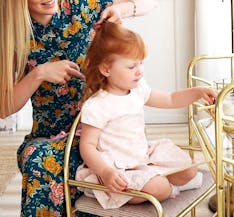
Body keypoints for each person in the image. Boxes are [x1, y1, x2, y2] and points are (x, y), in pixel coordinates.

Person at [0, 0, 156, 217]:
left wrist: (123, 8)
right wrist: (38, 74)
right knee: (37, 157)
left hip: (101, 133)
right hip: (50, 135)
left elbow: (147, 1)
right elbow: (3, 107)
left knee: (76, 161)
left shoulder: (79, 8)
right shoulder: (12, 38)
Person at [76, 22, 217, 209]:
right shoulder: (97, 105)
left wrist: (197, 92)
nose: (139, 71)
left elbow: (170, 99)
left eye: (141, 63)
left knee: (189, 170)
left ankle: (160, 182)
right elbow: (87, 146)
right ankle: (164, 188)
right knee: (159, 187)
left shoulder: (137, 89)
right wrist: (106, 172)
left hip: (143, 157)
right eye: (131, 66)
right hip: (119, 170)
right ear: (106, 69)